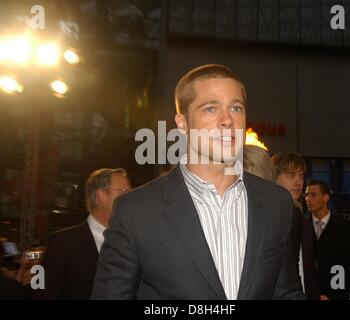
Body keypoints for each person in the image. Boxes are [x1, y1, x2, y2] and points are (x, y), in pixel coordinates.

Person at [92, 64, 304, 300]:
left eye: (236, 107)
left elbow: (287, 292)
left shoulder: (276, 203)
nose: (227, 120)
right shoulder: (135, 211)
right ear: (182, 123)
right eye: (211, 108)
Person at [34, 168, 131, 300]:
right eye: (125, 191)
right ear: (101, 195)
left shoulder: (134, 244)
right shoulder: (61, 243)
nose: (132, 197)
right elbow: (44, 294)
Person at [272, 152, 320, 300]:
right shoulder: (279, 214)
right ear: (274, 177)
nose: (299, 182)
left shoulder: (296, 214)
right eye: (291, 176)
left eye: (301, 176)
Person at [305, 180, 350, 300]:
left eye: (313, 194)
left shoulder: (346, 228)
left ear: (326, 198)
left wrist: (332, 296)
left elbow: (349, 267)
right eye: (307, 195)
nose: (308, 198)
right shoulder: (301, 227)